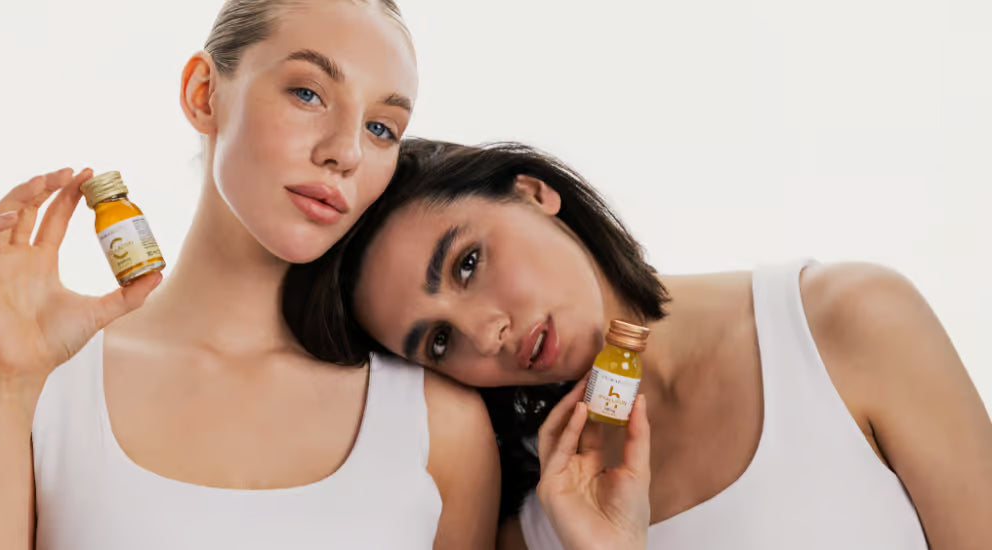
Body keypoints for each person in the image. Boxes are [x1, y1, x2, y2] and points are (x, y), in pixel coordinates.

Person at [0, 2, 507, 548]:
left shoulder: (436, 420)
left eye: (381, 129)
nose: (345, 151)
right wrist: (7, 380)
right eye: (308, 92)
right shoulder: (38, 373)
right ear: (203, 94)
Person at [284, 138, 992, 549]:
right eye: (438, 342)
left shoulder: (843, 322)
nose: (483, 333)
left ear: (533, 193)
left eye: (467, 263)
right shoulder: (533, 519)